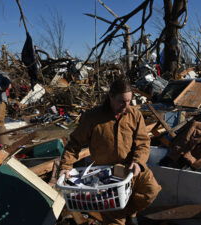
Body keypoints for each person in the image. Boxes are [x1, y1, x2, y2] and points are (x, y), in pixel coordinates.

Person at [60, 78, 161, 225]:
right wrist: (65, 166)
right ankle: (117, 216)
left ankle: (127, 212)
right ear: (111, 97)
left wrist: (138, 162)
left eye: (128, 101)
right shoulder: (92, 117)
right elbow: (74, 143)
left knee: (151, 190)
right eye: (121, 101)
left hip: (131, 168)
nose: (125, 106)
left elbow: (143, 142)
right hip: (107, 174)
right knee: (114, 218)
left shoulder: (134, 114)